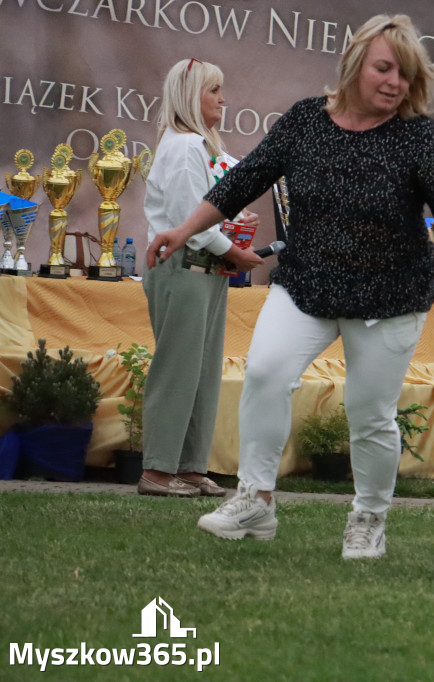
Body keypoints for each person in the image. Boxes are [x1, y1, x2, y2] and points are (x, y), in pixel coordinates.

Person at [146, 15, 434, 557]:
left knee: (369, 412)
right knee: (264, 371)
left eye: (404, 75)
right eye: (384, 68)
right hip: (306, 283)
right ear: (356, 63)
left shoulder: (419, 135)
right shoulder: (307, 119)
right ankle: (256, 501)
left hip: (389, 295)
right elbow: (245, 179)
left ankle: (369, 519)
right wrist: (183, 230)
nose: (394, 83)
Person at [138, 58, 263, 498]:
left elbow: (241, 178)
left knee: (202, 372)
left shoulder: (204, 147)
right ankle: (157, 469)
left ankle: (188, 466)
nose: (222, 99)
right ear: (192, 95)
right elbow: (193, 221)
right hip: (184, 267)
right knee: (178, 370)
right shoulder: (185, 147)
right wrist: (235, 251)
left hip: (206, 270)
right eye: (213, 91)